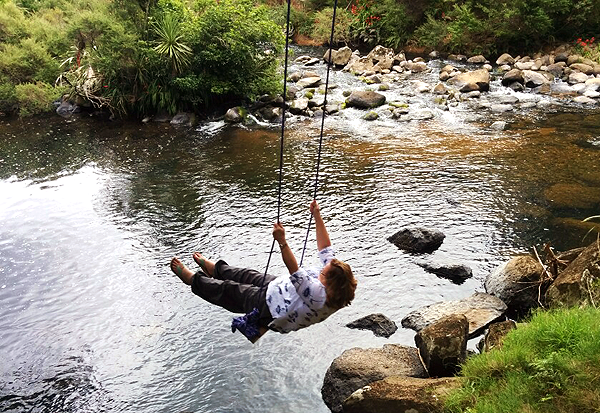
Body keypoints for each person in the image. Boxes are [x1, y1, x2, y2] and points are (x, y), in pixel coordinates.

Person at [170, 200, 357, 342]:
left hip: (271, 306)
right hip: (279, 288)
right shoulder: (337, 285)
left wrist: (282, 241)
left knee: (230, 290)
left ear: (328, 283)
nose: (324, 266)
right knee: (245, 275)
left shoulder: (318, 297)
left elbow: (294, 269)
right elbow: (325, 247)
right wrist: (317, 215)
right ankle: (216, 270)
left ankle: (193, 280)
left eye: (324, 271)